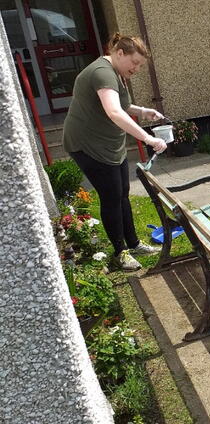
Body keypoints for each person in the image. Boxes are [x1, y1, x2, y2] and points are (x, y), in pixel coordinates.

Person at [62, 33, 167, 271]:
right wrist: (148, 138)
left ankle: (133, 243)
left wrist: (142, 111)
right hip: (89, 145)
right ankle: (120, 254)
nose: (137, 68)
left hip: (109, 144)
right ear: (119, 53)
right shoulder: (102, 72)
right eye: (135, 62)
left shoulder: (115, 72)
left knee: (122, 193)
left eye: (140, 65)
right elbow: (114, 112)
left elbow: (121, 105)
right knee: (111, 197)